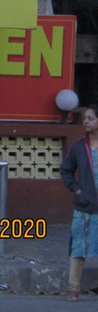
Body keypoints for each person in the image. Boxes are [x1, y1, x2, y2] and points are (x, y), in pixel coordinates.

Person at [60, 104, 98, 302]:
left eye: (91, 118)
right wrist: (77, 188)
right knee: (78, 247)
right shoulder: (78, 147)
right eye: (85, 118)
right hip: (84, 206)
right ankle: (74, 288)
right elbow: (66, 170)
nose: (86, 121)